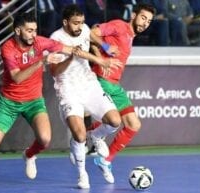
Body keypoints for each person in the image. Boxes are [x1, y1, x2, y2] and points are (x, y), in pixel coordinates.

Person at [0, 12, 118, 190]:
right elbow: (17, 78)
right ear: (17, 31)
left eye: (35, 30)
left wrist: (99, 59)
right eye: (29, 31)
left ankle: (29, 155)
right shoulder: (7, 48)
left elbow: (73, 50)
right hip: (9, 103)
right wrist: (42, 61)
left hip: (34, 101)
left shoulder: (40, 42)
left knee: (45, 139)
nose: (33, 34)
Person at [49, 4, 122, 189]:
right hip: (68, 90)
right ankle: (82, 174)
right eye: (75, 23)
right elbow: (55, 71)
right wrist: (71, 57)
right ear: (65, 22)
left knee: (114, 121)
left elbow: (91, 36)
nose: (79, 27)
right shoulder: (55, 40)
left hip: (90, 85)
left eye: (81, 22)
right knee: (80, 135)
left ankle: (97, 137)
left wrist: (106, 46)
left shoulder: (83, 29)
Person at [87, 3, 156, 184]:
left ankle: (105, 160)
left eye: (149, 21)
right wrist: (102, 53)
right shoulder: (119, 25)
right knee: (113, 120)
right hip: (100, 80)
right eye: (143, 18)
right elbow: (90, 32)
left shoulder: (131, 36)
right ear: (133, 15)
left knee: (134, 125)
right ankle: (90, 135)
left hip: (115, 85)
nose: (145, 23)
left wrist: (100, 51)